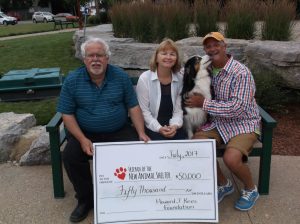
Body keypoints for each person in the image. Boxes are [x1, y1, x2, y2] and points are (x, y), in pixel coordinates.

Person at [57, 37, 150, 223]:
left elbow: (133, 107)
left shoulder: (120, 77)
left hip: (118, 130)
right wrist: (82, 139)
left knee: (136, 150)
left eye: (100, 55)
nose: (95, 59)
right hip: (86, 133)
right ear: (84, 59)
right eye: (90, 55)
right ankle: (85, 199)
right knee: (71, 156)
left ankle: (125, 194)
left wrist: (141, 132)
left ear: (107, 58)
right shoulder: (73, 80)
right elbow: (66, 114)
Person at [185, 32, 261, 211]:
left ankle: (251, 189)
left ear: (224, 46)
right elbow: (185, 73)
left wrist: (203, 103)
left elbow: (238, 108)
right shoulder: (208, 69)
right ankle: (224, 184)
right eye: (208, 46)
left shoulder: (241, 72)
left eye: (215, 44)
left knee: (231, 158)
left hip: (243, 123)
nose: (212, 49)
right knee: (197, 147)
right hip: (218, 122)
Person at [136, 38, 186, 140]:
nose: (168, 57)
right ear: (156, 58)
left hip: (174, 127)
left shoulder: (180, 79)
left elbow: (178, 110)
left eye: (172, 54)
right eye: (164, 53)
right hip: (151, 126)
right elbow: (144, 111)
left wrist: (174, 126)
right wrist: (159, 128)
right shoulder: (145, 78)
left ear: (176, 59)